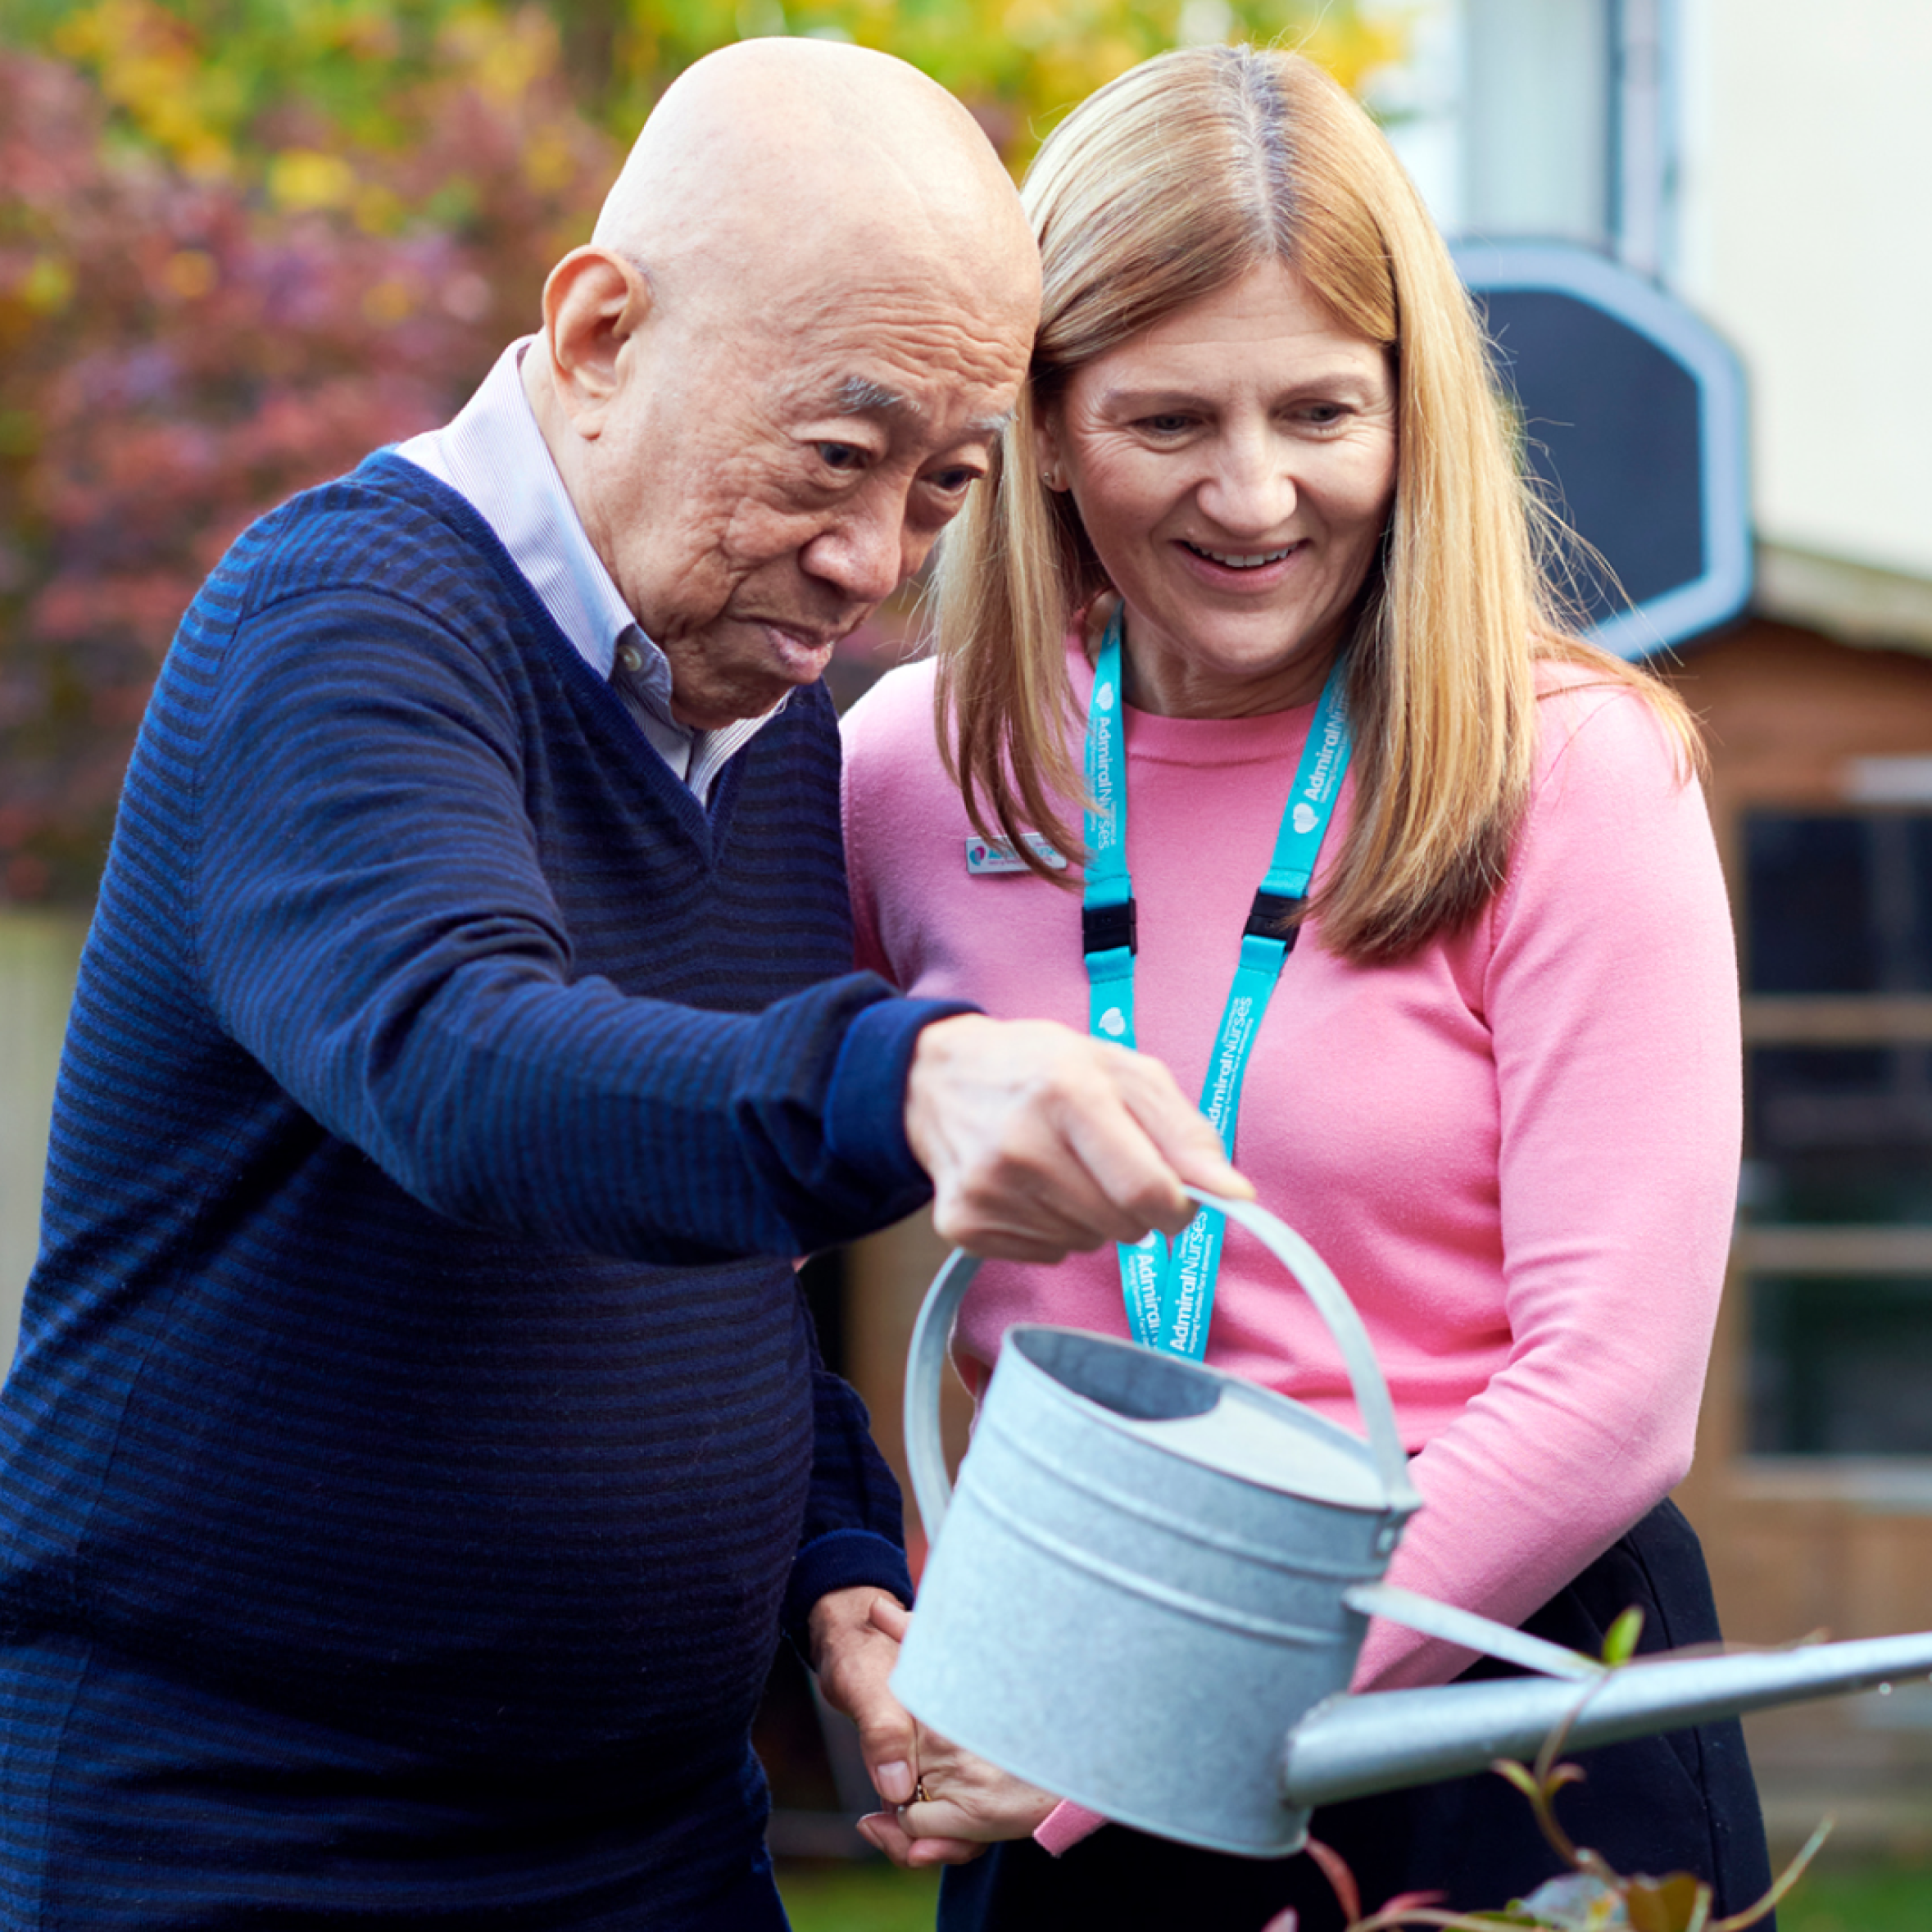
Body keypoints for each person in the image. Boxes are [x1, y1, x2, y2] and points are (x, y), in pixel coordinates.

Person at [0, 39, 1248, 1931]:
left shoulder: (768, 722)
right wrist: (910, 1080)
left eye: (943, 490)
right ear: (597, 334)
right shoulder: (340, 624)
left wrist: (841, 1560)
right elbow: (463, 1061)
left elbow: (721, 1255)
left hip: (656, 1847)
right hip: (237, 1839)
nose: (869, 561)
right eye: (837, 457)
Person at [839, 43, 1775, 1932]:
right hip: (1061, 1733)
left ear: (1414, 414)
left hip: (1499, 1714)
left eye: (1322, 413)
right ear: (1042, 421)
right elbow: (743, 1215)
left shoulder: (1578, 777)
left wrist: (1164, 1706)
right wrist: (859, 1585)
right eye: (1168, 421)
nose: (1254, 496)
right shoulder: (903, 773)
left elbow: (1608, 1392)